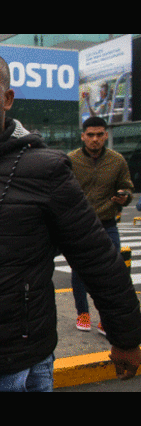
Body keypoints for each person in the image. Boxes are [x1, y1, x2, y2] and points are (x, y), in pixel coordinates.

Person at [0, 50, 141, 392]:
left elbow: (95, 257)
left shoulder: (45, 170)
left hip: (20, 362)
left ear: (7, 99)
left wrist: (126, 336)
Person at [67, 116, 134, 333]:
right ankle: (83, 313)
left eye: (99, 135)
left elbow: (127, 187)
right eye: (90, 135)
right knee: (79, 271)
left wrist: (126, 197)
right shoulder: (71, 160)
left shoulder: (117, 161)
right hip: (80, 225)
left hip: (107, 223)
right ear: (83, 137)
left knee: (112, 273)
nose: (95, 139)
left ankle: (105, 318)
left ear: (106, 135)